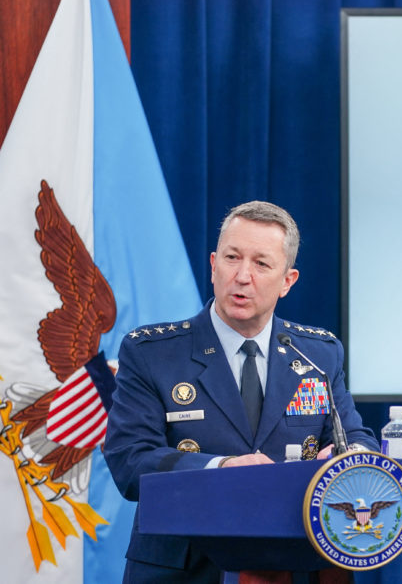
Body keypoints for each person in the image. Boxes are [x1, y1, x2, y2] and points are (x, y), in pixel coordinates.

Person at [103, 201, 378, 583]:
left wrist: (348, 457)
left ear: (287, 281)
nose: (242, 276)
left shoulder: (317, 354)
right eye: (232, 258)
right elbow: (130, 461)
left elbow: (356, 437)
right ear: (213, 265)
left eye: (261, 264)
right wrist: (221, 469)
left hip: (294, 564)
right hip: (186, 569)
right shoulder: (152, 353)